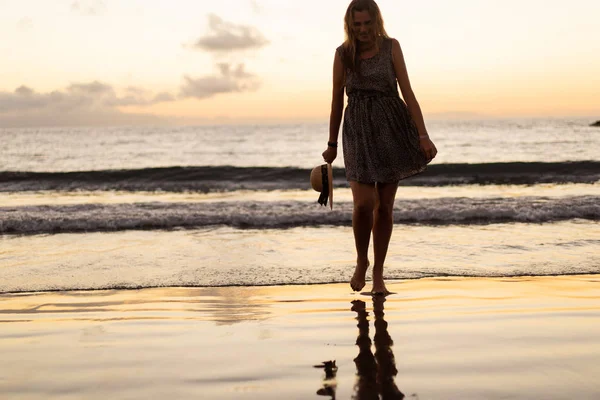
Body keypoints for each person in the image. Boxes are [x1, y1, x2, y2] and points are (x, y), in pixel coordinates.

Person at [322, 0, 437, 296]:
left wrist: (423, 135)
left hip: (391, 126)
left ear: (376, 22)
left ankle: (379, 274)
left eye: (367, 23)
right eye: (356, 24)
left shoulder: (391, 47)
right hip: (357, 128)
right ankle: (362, 260)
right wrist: (332, 144)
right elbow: (337, 101)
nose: (362, 30)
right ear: (350, 25)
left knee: (384, 206)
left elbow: (408, 92)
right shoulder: (343, 54)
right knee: (363, 204)